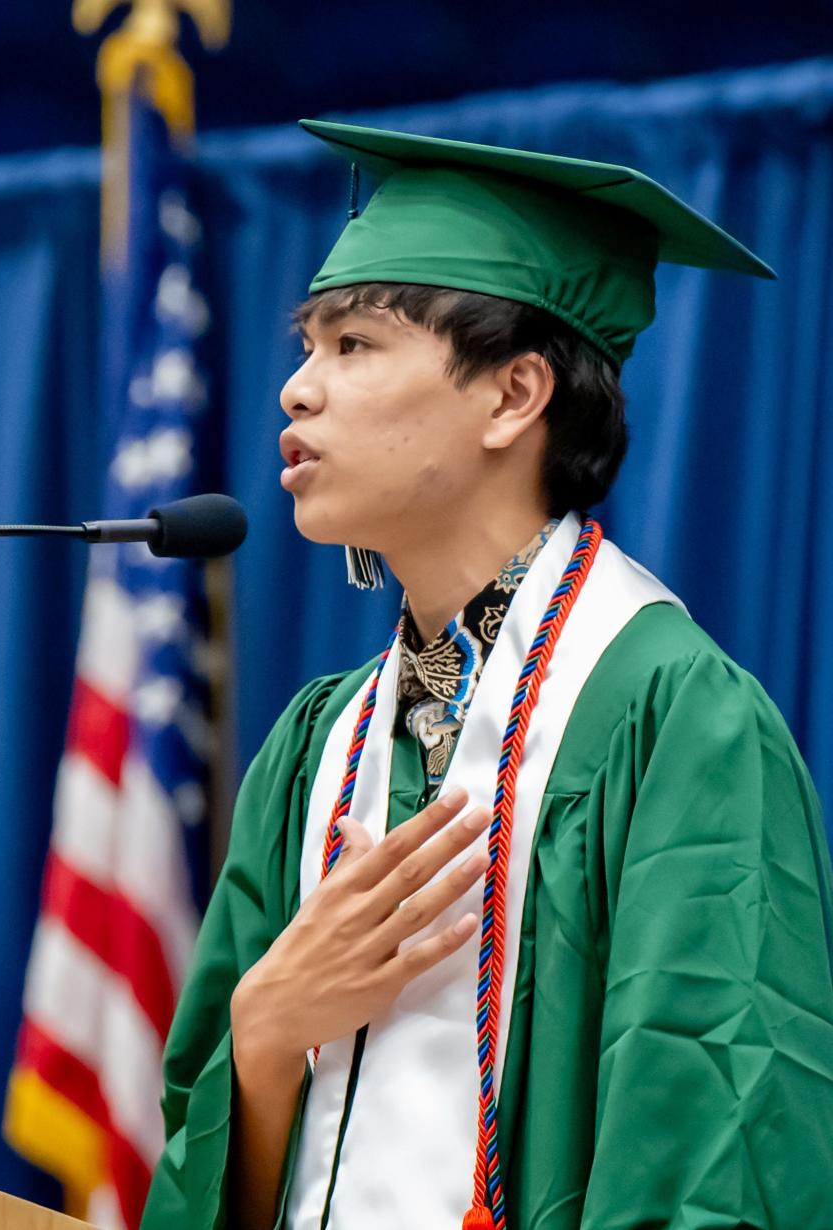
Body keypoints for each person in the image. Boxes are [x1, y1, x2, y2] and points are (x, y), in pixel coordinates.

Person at [140, 121, 833, 1230]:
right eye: (305, 344)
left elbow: (718, 1159)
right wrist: (266, 1035)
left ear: (514, 396)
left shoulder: (676, 722)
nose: (295, 392)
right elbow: (212, 1155)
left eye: (353, 344)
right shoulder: (317, 752)